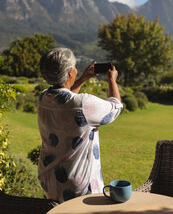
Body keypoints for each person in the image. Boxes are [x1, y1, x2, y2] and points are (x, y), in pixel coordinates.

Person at [37, 47, 123, 203]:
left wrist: (82, 79)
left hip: (48, 178)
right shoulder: (83, 104)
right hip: (76, 185)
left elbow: (66, 100)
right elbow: (115, 108)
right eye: (75, 68)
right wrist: (112, 80)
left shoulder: (44, 97)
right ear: (70, 73)